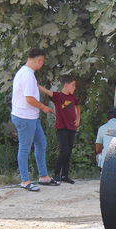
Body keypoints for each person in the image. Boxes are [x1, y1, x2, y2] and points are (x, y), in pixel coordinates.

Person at [11, 48, 53, 191]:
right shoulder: (28, 75)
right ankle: (25, 181)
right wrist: (44, 107)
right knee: (24, 148)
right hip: (25, 117)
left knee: (41, 143)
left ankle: (44, 177)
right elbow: (29, 99)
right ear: (40, 61)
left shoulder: (24, 72)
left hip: (31, 117)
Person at [38, 75, 80, 185]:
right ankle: (56, 174)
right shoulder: (57, 96)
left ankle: (65, 175)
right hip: (61, 127)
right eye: (73, 85)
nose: (75, 87)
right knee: (64, 150)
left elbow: (77, 107)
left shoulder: (73, 97)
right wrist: (36, 85)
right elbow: (47, 91)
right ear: (66, 85)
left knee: (69, 151)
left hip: (72, 127)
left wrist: (78, 118)